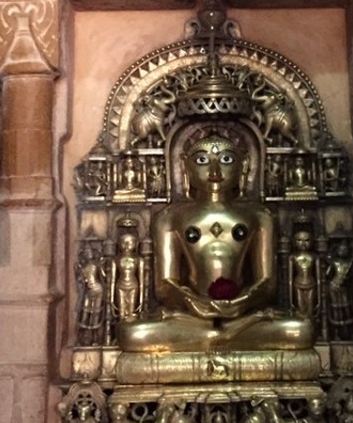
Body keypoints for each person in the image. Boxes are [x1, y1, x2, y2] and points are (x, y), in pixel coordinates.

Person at [118, 129, 313, 352]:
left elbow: (267, 283)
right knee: (133, 334)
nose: (214, 171)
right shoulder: (170, 218)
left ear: (244, 164)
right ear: (185, 166)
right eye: (202, 160)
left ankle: (217, 337)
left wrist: (242, 302)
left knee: (300, 330)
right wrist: (193, 303)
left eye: (226, 160)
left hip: (244, 318)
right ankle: (220, 338)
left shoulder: (259, 217)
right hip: (190, 318)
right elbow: (165, 285)